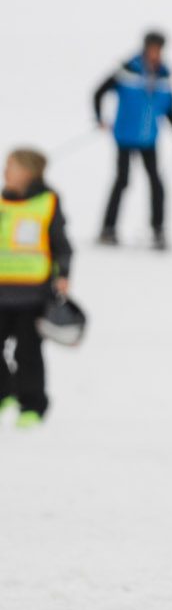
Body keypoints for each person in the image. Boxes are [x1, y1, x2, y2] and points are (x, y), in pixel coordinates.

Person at [0, 147, 72, 428]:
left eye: (11, 166)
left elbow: (61, 246)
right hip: (1, 292)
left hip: (33, 295)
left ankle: (32, 405)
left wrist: (63, 273)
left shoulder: (47, 203)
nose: (5, 171)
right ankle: (4, 391)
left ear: (29, 172)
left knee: (28, 352)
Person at [91, 31, 172, 248]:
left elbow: (169, 108)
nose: (155, 52)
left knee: (155, 182)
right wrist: (99, 119)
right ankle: (108, 229)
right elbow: (98, 92)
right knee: (122, 180)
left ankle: (158, 231)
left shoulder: (164, 74)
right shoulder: (128, 69)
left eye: (158, 48)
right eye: (152, 47)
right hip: (124, 135)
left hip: (149, 137)